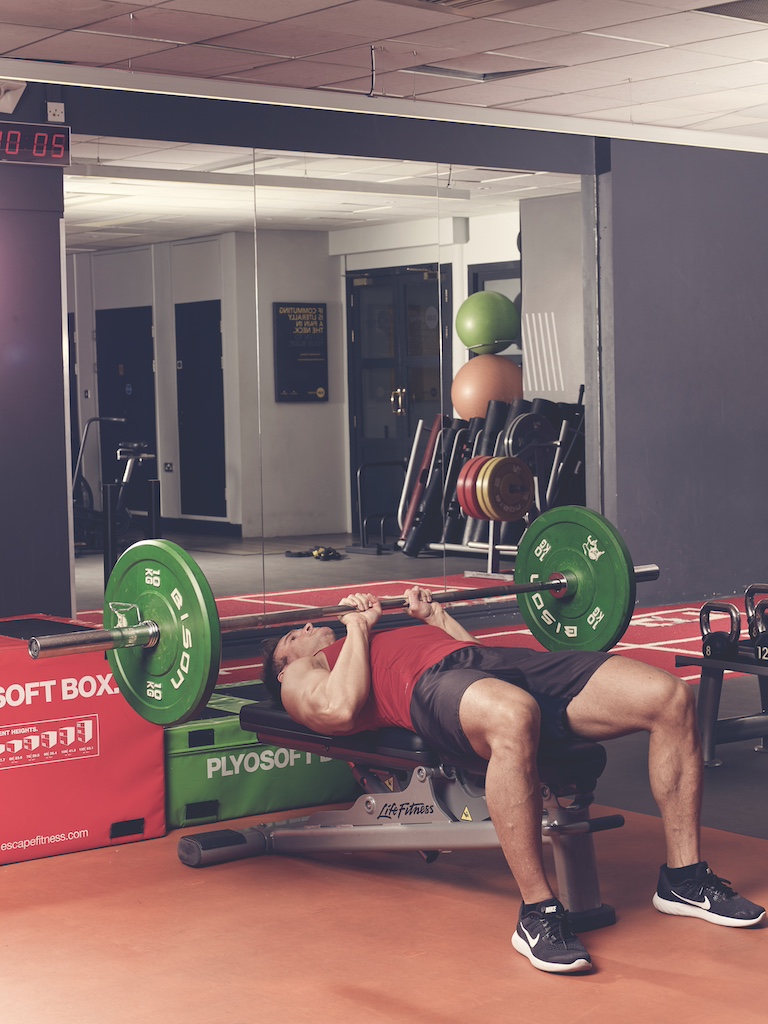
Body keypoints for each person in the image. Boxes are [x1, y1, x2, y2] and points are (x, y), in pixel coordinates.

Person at [260, 586, 765, 975]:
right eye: (291, 636)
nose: (304, 627)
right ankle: (537, 912)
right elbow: (340, 708)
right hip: (428, 690)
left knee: (670, 696)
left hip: (492, 664)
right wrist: (358, 626)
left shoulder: (366, 636)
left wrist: (435, 616)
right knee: (513, 715)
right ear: (282, 669)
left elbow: (471, 655)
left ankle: (684, 878)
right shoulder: (303, 675)